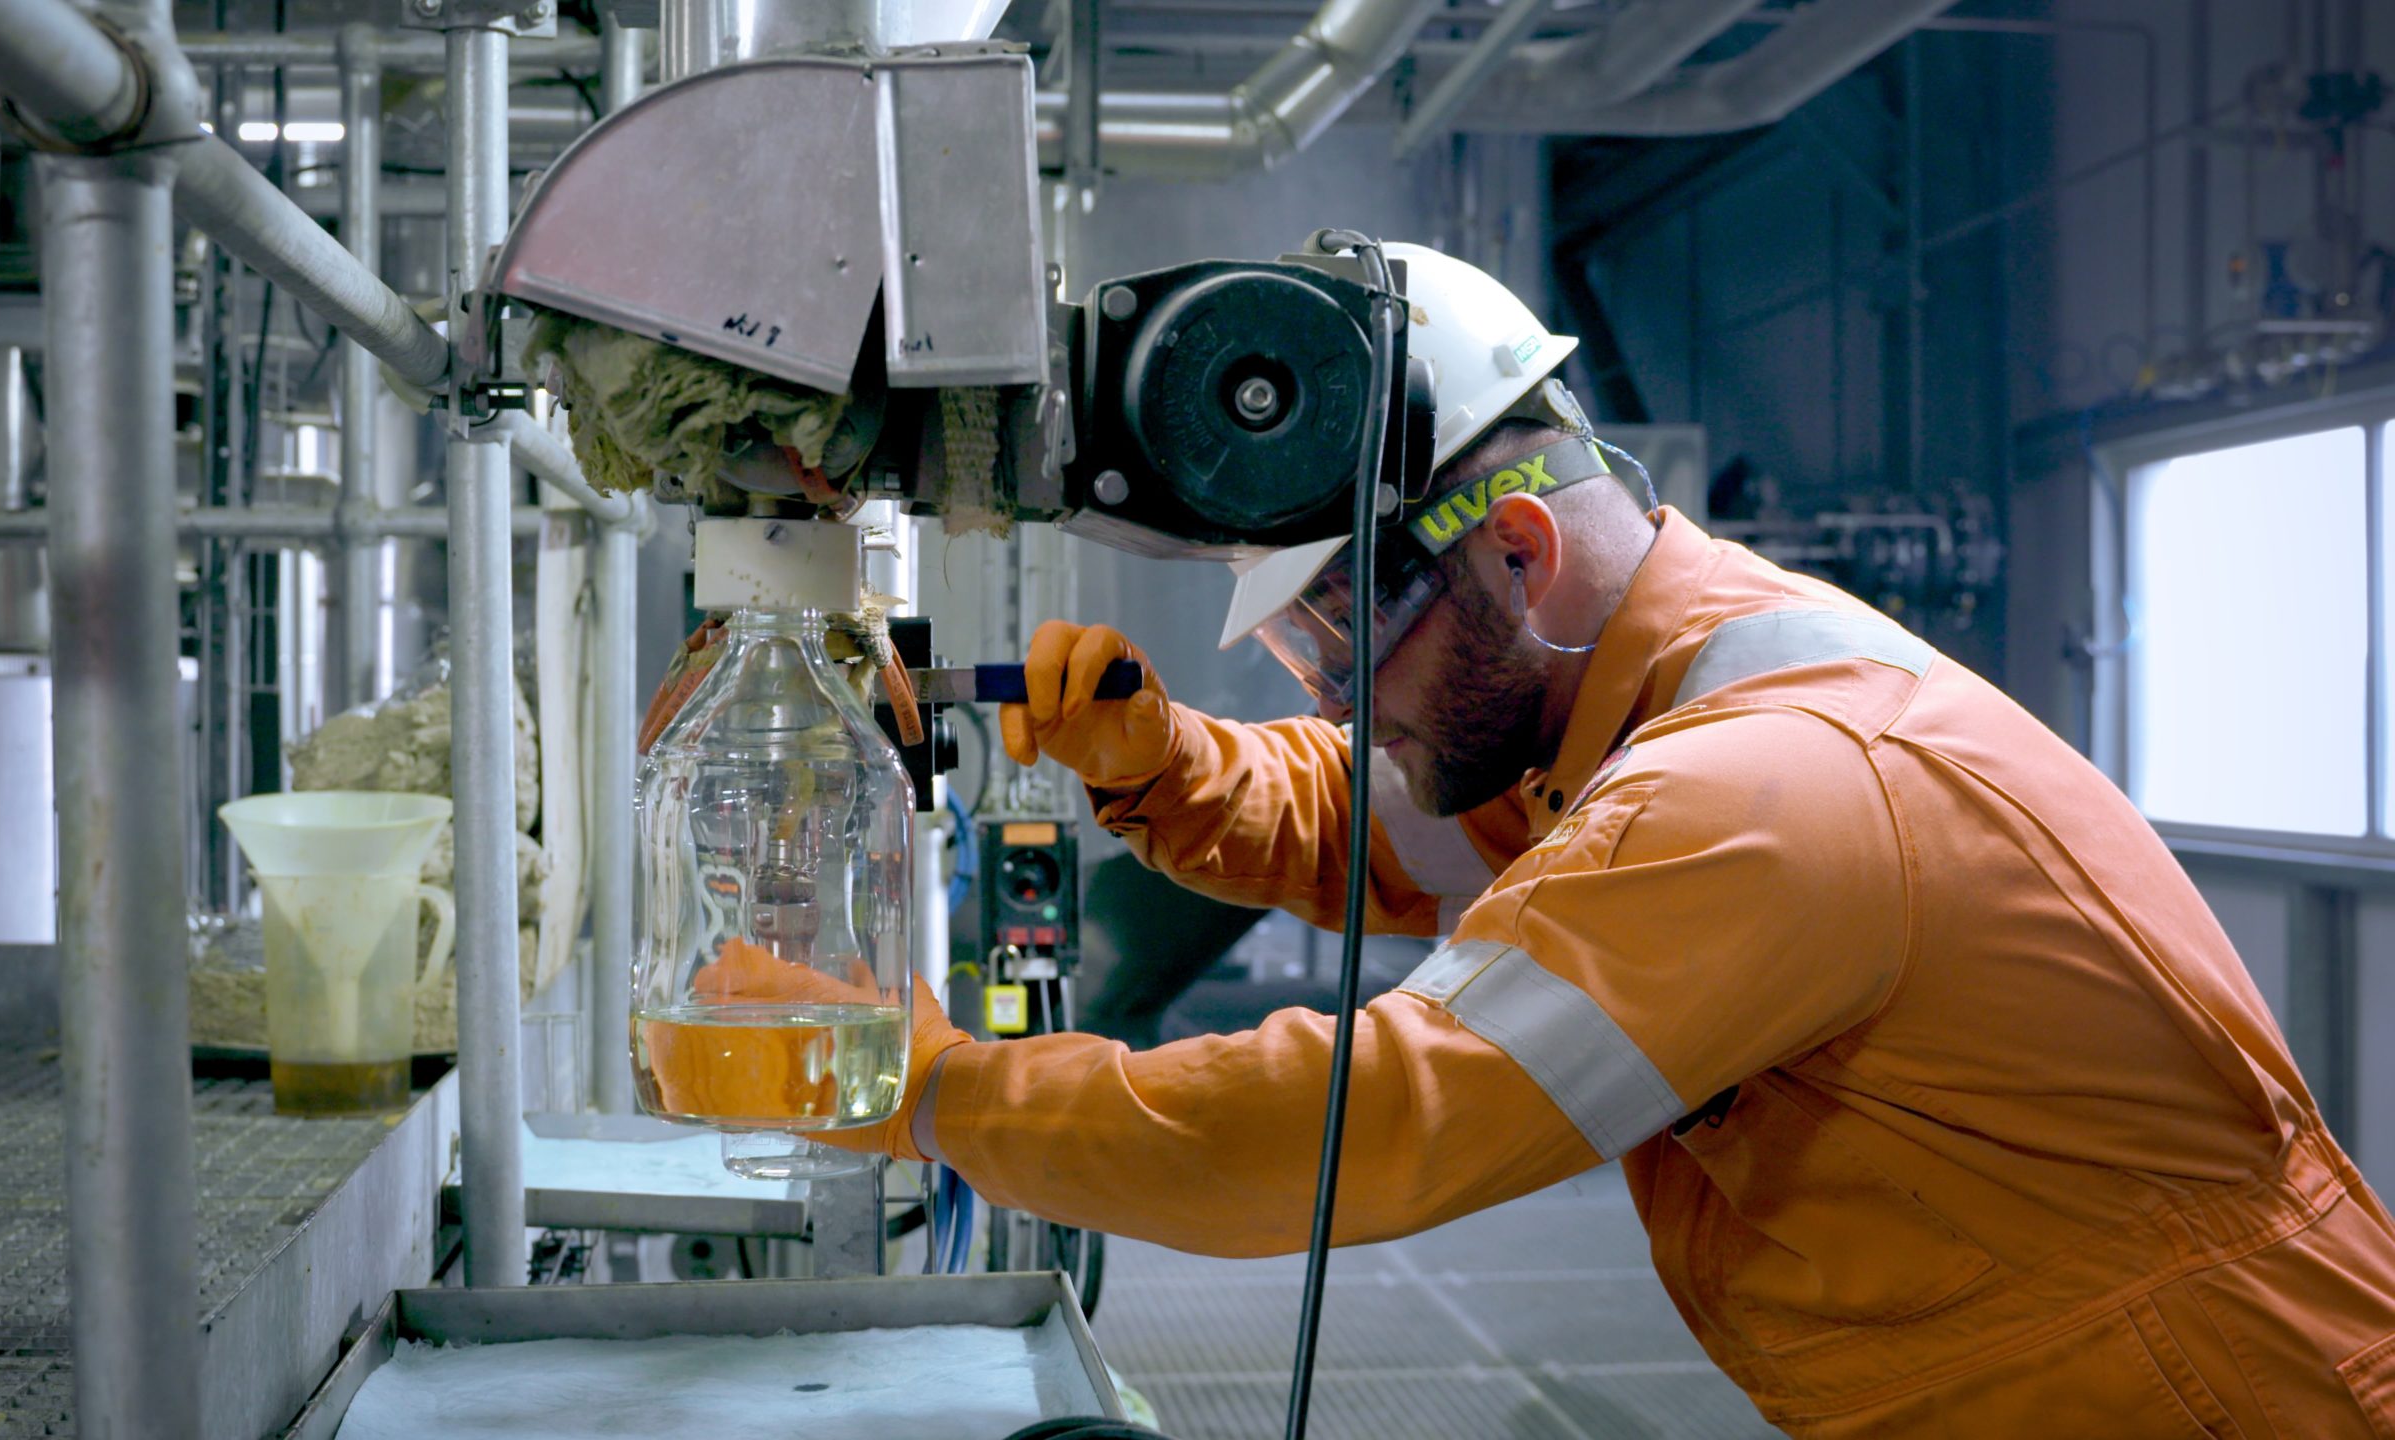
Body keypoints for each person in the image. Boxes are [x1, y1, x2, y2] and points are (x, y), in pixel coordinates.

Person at [726, 243, 2395, 1436]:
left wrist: (921, 1087)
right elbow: (1426, 835)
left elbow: (1359, 1129)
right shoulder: (1640, 694)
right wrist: (1167, 765)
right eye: (1300, 662)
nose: (1340, 699)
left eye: (1343, 645)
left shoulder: (1770, 792)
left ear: (1512, 552)